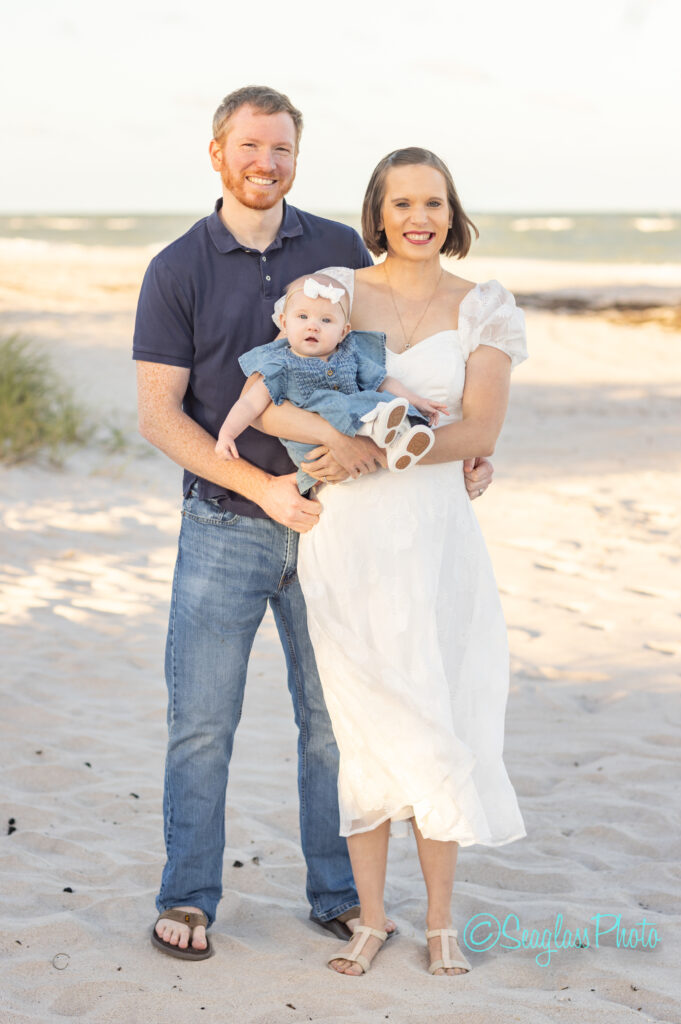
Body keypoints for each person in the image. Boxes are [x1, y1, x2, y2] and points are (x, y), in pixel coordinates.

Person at [134, 85, 495, 959]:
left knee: (333, 719)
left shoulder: (336, 250)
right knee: (202, 721)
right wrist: (260, 491)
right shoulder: (176, 267)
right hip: (225, 521)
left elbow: (400, 363)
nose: (266, 164)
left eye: (282, 150)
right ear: (217, 152)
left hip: (340, 526)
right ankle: (187, 899)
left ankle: (337, 896)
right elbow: (160, 415)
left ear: (297, 156)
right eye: (251, 147)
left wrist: (466, 442)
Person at [252, 148, 527, 976]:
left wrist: (390, 453)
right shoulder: (336, 292)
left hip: (436, 539)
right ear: (377, 212)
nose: (419, 216)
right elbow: (278, 395)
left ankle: (440, 921)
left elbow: (478, 431)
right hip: (349, 539)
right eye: (402, 201)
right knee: (360, 724)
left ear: (452, 212)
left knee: (437, 713)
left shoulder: (483, 306)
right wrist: (335, 443)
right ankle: (372, 919)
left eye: (434, 202)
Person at [216, 272, 448, 492]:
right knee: (336, 401)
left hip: (358, 441)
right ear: (284, 324)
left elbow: (383, 381)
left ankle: (399, 444)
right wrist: (227, 434)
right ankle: (378, 427)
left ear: (343, 332)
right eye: (303, 317)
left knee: (382, 398)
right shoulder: (280, 365)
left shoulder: (349, 355)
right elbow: (249, 404)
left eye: (326, 320)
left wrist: (417, 401)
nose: (313, 325)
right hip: (315, 452)